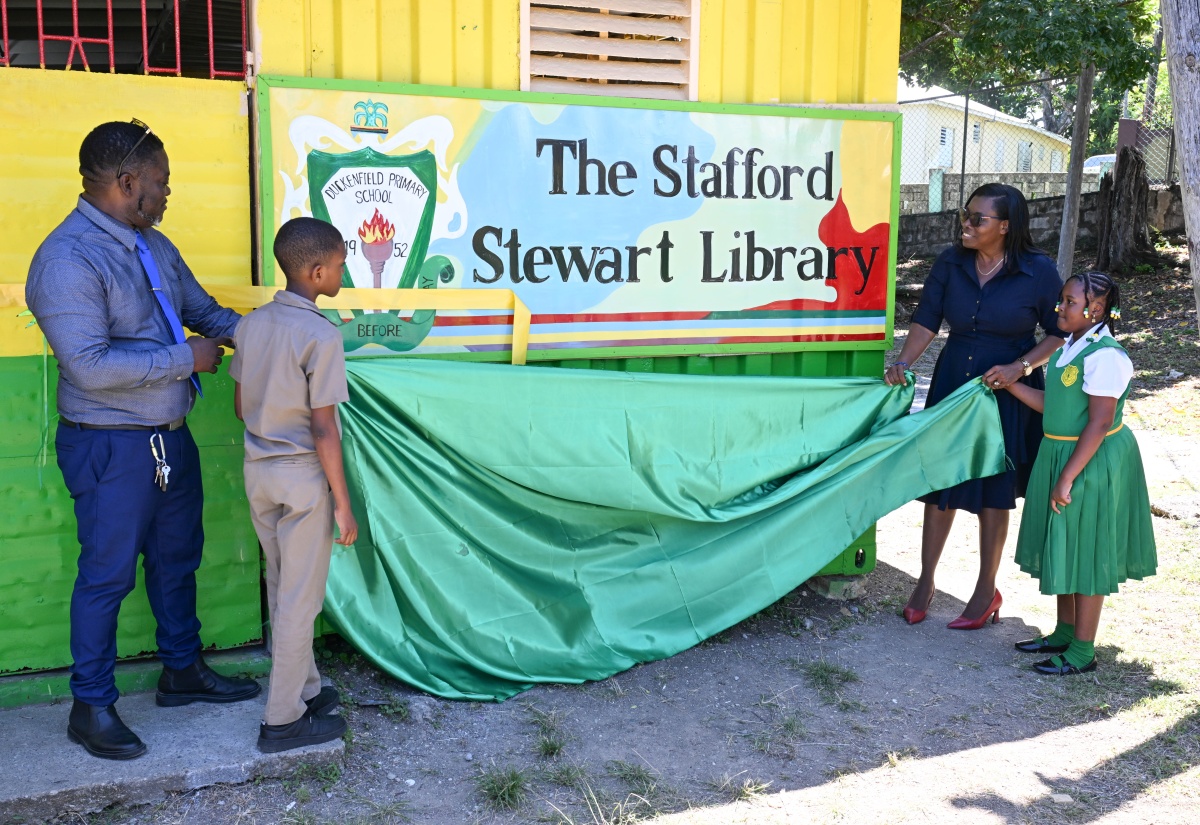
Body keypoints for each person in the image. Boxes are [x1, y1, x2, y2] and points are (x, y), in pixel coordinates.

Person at [26, 120, 261, 761]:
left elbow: (205, 313)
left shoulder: (152, 244)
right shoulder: (67, 260)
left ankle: (182, 672)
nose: (167, 194)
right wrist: (186, 361)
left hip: (168, 436)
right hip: (110, 447)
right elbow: (90, 367)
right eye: (160, 183)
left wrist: (276, 337)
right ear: (127, 183)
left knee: (176, 558)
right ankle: (91, 705)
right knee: (106, 576)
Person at [884, 183, 1065, 629]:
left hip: (1004, 387)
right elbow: (927, 317)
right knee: (940, 480)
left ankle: (986, 590)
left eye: (976, 219)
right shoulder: (950, 262)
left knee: (994, 488)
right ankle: (925, 581)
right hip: (954, 381)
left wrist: (1020, 367)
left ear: (1004, 227)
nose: (966, 224)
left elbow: (1060, 332)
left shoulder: (1038, 272)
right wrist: (904, 361)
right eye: (965, 215)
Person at [230, 217, 358, 752]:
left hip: (258, 472)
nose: (344, 274)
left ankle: (304, 689)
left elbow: (240, 406)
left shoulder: (252, 325)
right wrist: (343, 505)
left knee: (284, 585)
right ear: (317, 270)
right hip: (303, 478)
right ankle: (282, 720)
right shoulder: (321, 334)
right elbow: (324, 427)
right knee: (300, 601)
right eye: (341, 265)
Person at [1005, 271, 1156, 674]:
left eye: (1070, 302)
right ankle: (1064, 631)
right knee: (1065, 544)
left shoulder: (1106, 356)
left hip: (1090, 460)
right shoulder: (1069, 346)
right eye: (1062, 299)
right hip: (1061, 451)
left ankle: (1083, 651)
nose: (1060, 308)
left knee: (1086, 550)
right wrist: (1010, 384)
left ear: (1097, 310)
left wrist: (1068, 476)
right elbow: (1054, 405)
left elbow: (1099, 422)